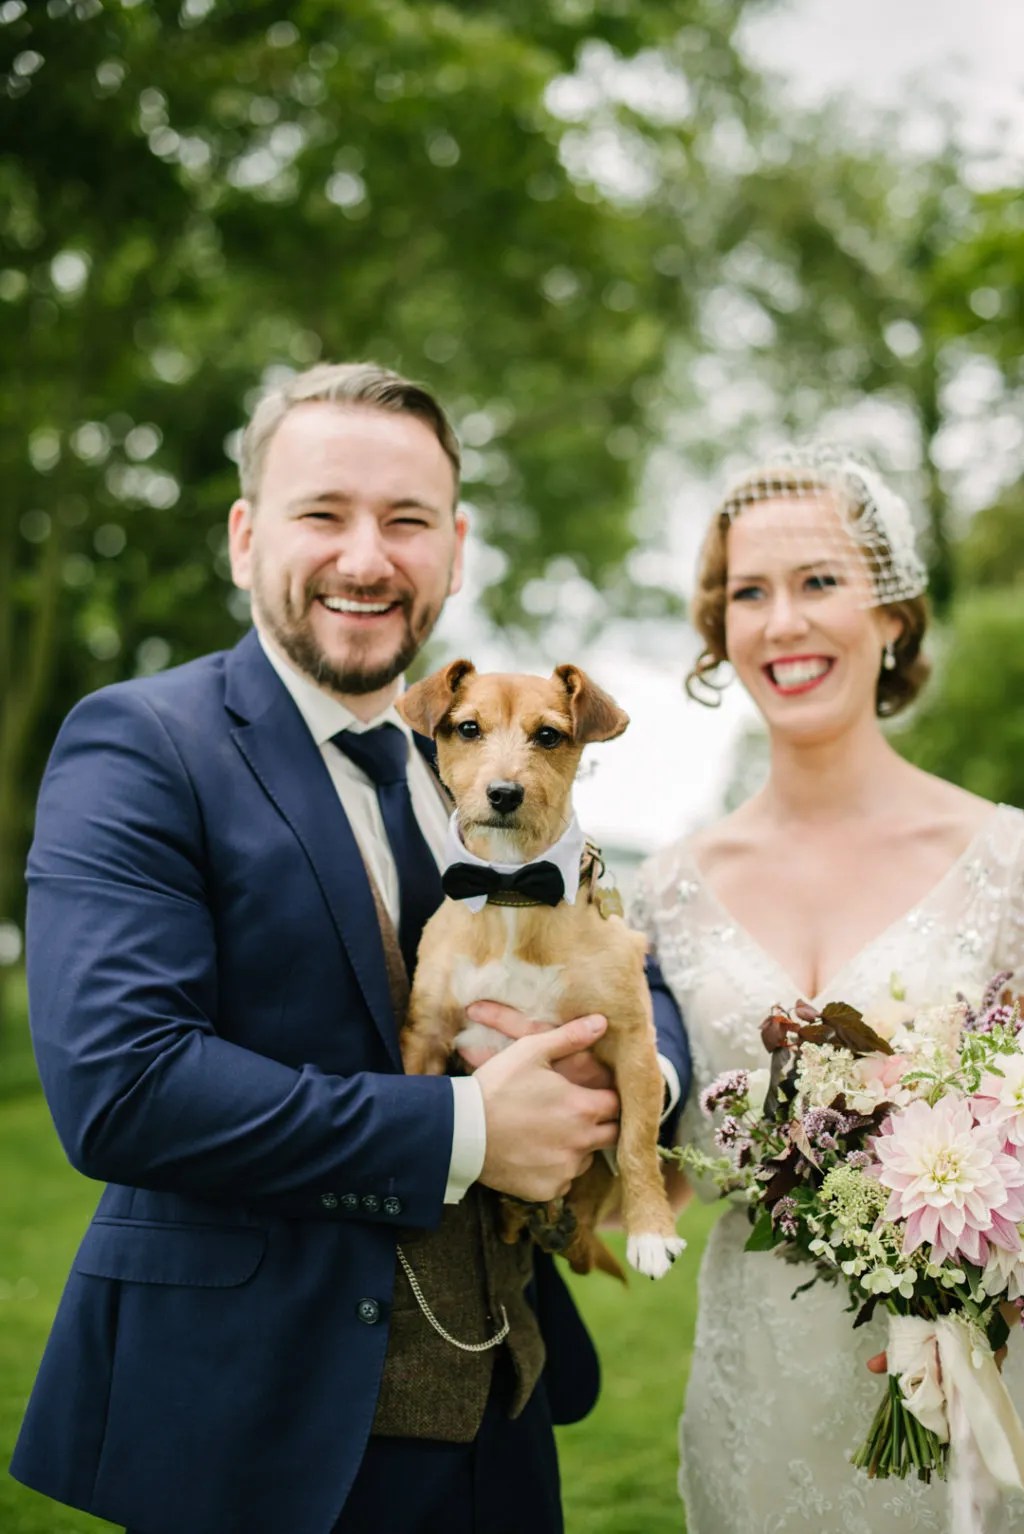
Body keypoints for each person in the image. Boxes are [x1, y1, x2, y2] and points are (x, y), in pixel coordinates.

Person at [10, 362, 690, 1534]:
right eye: (322, 512)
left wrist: (632, 1078)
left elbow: (631, 954)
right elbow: (123, 1086)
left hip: (506, 1414)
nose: (367, 557)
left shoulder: (483, 749)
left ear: (456, 547)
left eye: (407, 520)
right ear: (243, 535)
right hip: (261, 1441)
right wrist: (471, 1130)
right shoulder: (139, 743)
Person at [630, 445, 1024, 1534]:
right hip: (751, 1384)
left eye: (818, 582)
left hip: (967, 1387)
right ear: (720, 631)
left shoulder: (1006, 863)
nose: (781, 622)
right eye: (747, 593)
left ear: (891, 613)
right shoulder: (668, 888)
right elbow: (649, 1142)